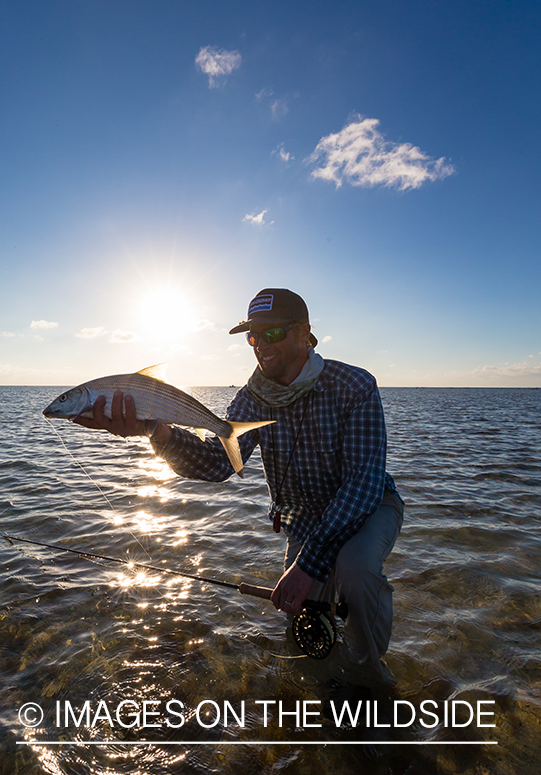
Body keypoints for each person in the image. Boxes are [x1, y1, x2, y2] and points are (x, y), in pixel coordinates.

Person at [78, 288, 404, 685]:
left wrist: (308, 566)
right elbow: (217, 462)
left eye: (273, 334)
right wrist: (157, 432)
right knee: (299, 623)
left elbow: (361, 484)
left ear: (305, 333)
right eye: (253, 337)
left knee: (355, 568)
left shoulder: (355, 385)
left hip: (370, 507)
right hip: (304, 524)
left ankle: (372, 678)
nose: (260, 346)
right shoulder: (250, 399)